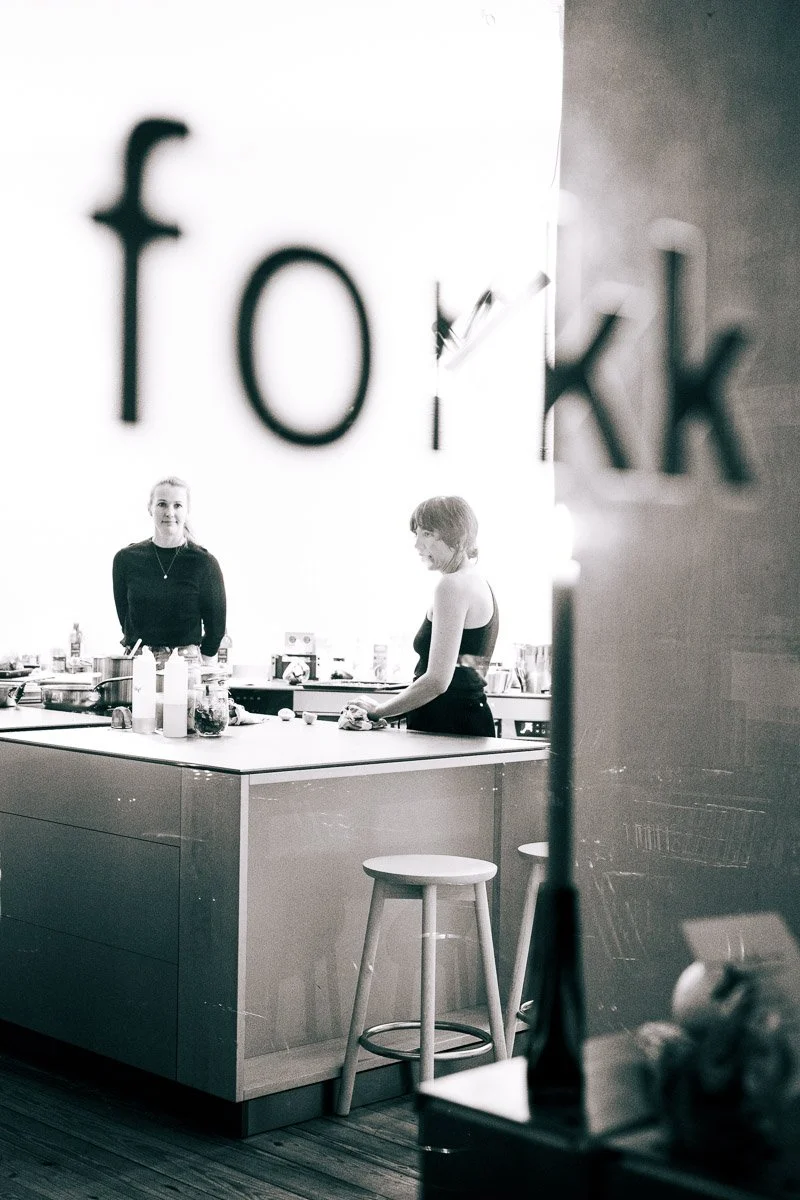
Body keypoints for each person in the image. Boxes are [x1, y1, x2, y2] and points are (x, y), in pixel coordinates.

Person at [353, 496, 498, 736]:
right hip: (467, 720)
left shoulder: (451, 586)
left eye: (428, 534)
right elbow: (461, 671)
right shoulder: (478, 582)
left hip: (447, 725)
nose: (418, 545)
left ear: (458, 539)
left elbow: (437, 682)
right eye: (417, 534)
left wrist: (377, 712)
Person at [112, 476, 226, 663]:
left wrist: (195, 667)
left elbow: (216, 630)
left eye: (178, 505)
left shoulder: (205, 563)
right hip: (138, 662)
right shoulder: (126, 559)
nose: (169, 512)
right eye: (162, 504)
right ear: (150, 508)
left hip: (185, 664)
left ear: (187, 510)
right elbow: (125, 620)